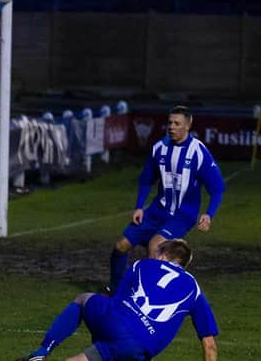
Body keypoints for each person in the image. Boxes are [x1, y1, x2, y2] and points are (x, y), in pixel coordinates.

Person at [16, 239, 218, 361]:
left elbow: (117, 300)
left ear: (164, 256)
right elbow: (209, 344)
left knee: (83, 299)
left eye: (157, 252)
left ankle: (42, 350)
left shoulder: (142, 264)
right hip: (138, 349)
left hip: (117, 324)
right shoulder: (194, 288)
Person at [107, 105, 225, 293]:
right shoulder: (159, 148)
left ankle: (149, 294)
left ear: (188, 125)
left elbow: (217, 188)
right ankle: (115, 289)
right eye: (170, 123)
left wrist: (209, 214)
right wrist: (139, 207)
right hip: (156, 211)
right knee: (120, 246)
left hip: (183, 215)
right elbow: (146, 180)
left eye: (177, 123)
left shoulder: (198, 152)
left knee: (156, 246)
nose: (171, 127)